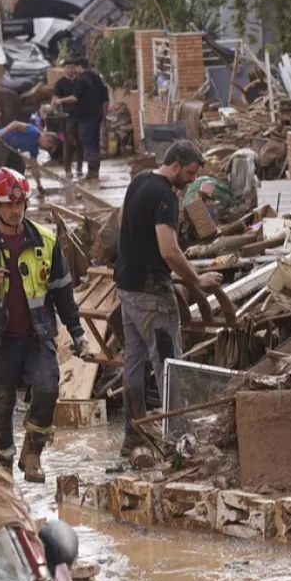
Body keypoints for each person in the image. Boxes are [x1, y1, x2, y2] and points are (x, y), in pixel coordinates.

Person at [0, 168, 88, 482]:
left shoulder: (45, 241)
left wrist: (77, 333)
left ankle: (33, 453)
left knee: (48, 388)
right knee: (0, 406)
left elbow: (63, 291)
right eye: (8, 205)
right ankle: (5, 470)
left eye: (20, 203)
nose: (15, 210)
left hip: (37, 336)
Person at [114, 141, 222, 456]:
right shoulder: (164, 197)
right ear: (174, 165)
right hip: (153, 295)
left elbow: (123, 221)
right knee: (168, 364)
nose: (191, 180)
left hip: (128, 288)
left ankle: (133, 436)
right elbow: (169, 250)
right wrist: (196, 279)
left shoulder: (140, 180)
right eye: (189, 173)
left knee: (133, 362)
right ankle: (178, 442)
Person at [75, 59, 109, 180]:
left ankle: (92, 171)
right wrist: (104, 115)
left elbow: (75, 98)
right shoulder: (97, 78)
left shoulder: (80, 80)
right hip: (97, 116)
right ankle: (96, 170)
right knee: (95, 143)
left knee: (88, 143)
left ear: (79, 67)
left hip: (85, 117)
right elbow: (105, 97)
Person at [52, 61, 83, 178]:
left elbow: (76, 98)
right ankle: (68, 169)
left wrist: (61, 100)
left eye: (72, 67)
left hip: (80, 115)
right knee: (68, 143)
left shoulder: (79, 81)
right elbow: (55, 98)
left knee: (81, 142)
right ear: (64, 69)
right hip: (67, 117)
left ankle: (79, 168)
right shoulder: (60, 83)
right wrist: (54, 105)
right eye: (68, 68)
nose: (70, 70)